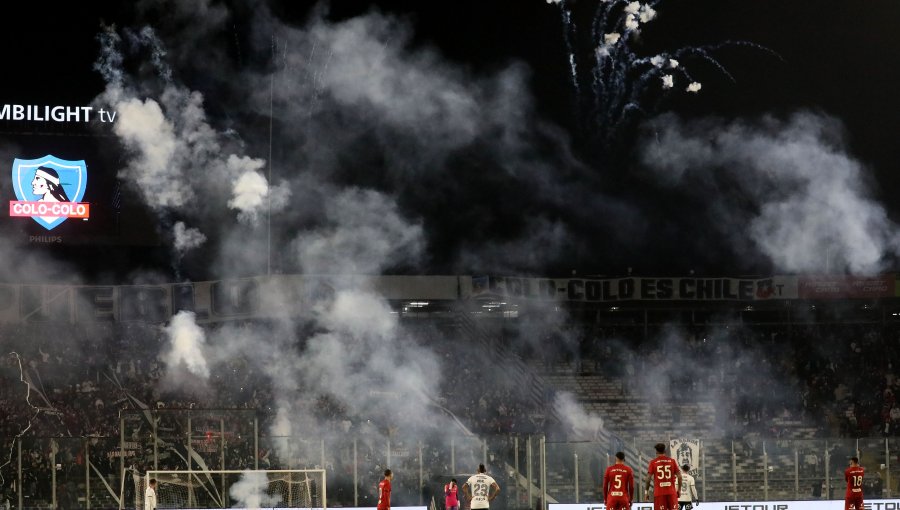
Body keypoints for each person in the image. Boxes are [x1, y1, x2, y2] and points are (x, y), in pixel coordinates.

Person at [645, 443, 682, 510]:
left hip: (659, 494)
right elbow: (679, 477)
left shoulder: (653, 462)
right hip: (671, 493)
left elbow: (648, 478)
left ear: (656, 451)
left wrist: (646, 492)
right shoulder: (672, 461)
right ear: (665, 451)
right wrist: (679, 490)